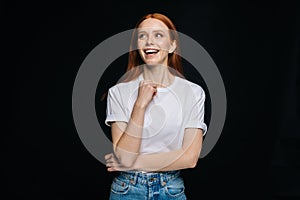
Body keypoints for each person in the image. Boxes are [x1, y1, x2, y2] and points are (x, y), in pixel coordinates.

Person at [104, 13, 207, 200]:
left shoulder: (193, 92)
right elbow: (125, 155)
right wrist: (140, 105)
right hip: (127, 189)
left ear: (172, 45)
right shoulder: (118, 92)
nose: (149, 41)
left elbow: (190, 158)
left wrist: (132, 162)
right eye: (142, 36)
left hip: (171, 189)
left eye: (158, 35)